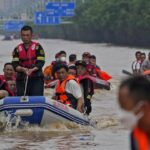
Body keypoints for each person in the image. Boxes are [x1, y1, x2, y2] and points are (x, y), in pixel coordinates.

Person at [118, 76, 150, 150]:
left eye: (125, 108)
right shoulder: (136, 135)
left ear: (143, 107)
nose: (122, 115)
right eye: (121, 108)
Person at [12, 25, 45, 96]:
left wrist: (32, 69)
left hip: (36, 78)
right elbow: (15, 64)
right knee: (21, 99)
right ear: (21, 36)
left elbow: (41, 62)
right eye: (23, 35)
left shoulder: (38, 47)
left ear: (31, 35)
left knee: (36, 99)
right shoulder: (17, 49)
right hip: (21, 78)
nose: (25, 37)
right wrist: (22, 69)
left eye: (27, 35)